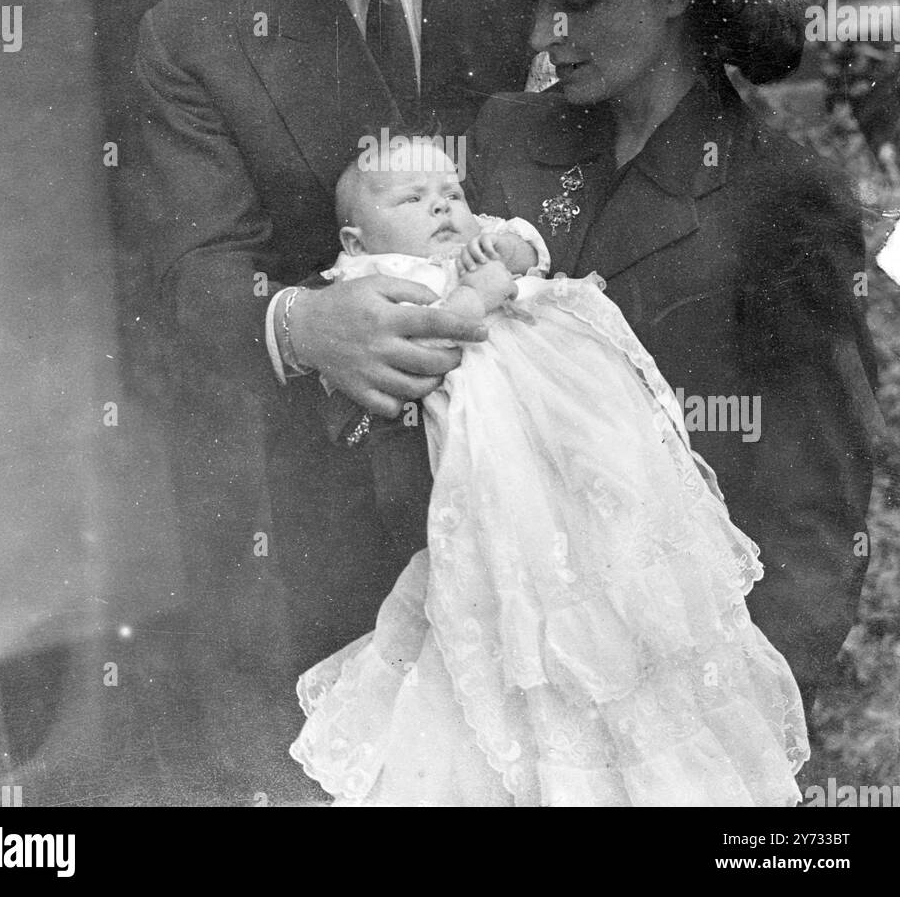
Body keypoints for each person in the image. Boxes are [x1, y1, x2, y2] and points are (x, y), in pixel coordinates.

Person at [134, 0, 530, 696]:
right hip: (346, 536)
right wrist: (303, 325)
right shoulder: (192, 38)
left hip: (551, 490)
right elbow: (187, 276)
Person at [450, 0, 880, 713]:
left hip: (678, 697)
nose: (544, 39)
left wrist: (723, 727)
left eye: (581, 2)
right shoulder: (507, 140)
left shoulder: (781, 207)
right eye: (538, 3)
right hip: (496, 660)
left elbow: (809, 522)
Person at [289, 135, 809, 806]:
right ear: (356, 240)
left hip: (580, 445)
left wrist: (508, 252)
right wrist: (478, 295)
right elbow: (426, 343)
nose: (442, 208)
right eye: (413, 198)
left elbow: (531, 244)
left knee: (624, 586)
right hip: (504, 476)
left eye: (451, 192)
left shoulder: (474, 244)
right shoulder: (377, 283)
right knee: (517, 613)